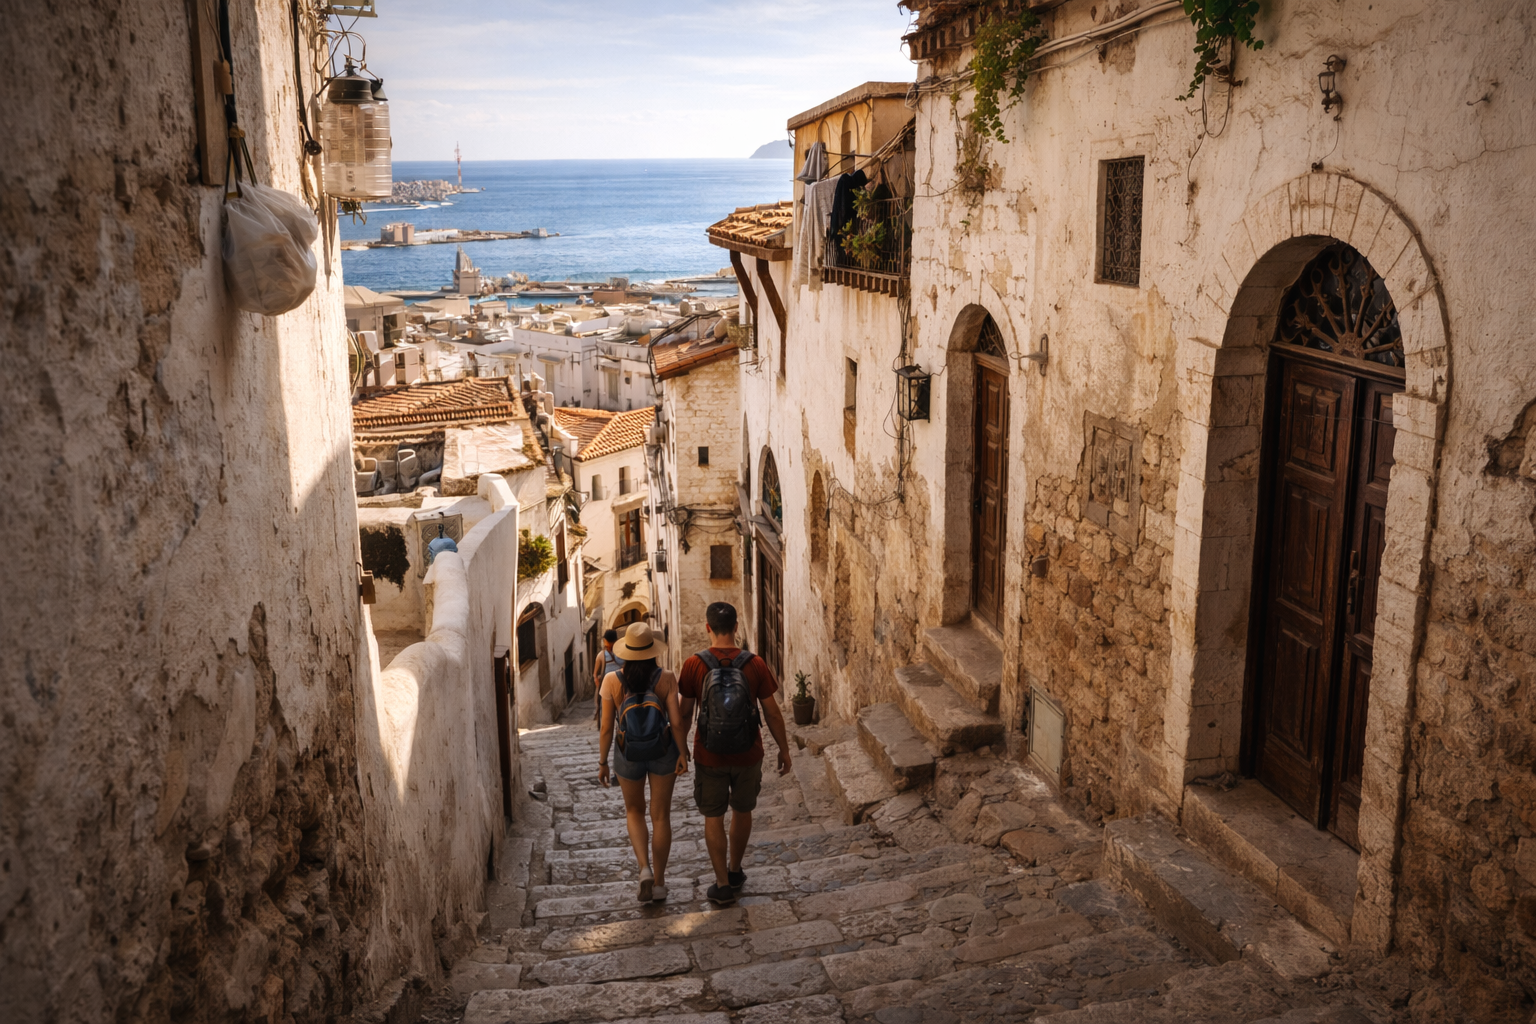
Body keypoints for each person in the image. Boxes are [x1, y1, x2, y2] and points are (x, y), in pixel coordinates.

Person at [678, 602, 792, 906]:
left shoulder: (693, 664)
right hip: (748, 752)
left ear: (707, 628)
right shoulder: (754, 664)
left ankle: (722, 884)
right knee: (743, 811)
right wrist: (784, 749)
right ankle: (736, 869)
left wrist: (681, 751)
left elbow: (685, 714)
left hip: (709, 754)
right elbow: (772, 713)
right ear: (737, 627)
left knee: (712, 816)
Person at [597, 622, 689, 902]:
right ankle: (660, 883)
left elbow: (605, 729)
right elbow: (675, 721)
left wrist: (602, 762)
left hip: (628, 754)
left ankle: (644, 869)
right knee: (660, 815)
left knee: (634, 812)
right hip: (663, 751)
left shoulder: (611, 680)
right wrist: (683, 753)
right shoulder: (667, 678)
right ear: (653, 651)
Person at [593, 628, 620, 723]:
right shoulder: (602, 655)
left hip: (612, 684)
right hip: (615, 684)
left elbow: (595, 674)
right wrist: (597, 681)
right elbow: (595, 674)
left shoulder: (602, 655)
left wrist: (597, 681)